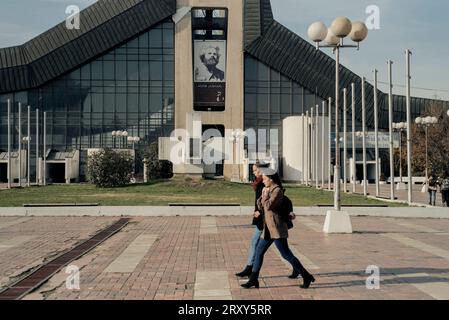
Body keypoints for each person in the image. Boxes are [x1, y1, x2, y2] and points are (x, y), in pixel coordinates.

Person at [241, 169, 315, 290]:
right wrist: (262, 196)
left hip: (277, 229)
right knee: (259, 252)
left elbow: (269, 206)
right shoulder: (268, 189)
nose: (263, 181)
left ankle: (306, 275)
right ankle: (253, 279)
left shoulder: (277, 191)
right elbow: (261, 207)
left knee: (286, 255)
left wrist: (265, 196)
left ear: (271, 179)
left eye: (264, 179)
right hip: (268, 229)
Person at [235, 162, 297, 279]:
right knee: (278, 251)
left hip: (270, 222)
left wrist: (290, 211)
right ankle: (252, 274)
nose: (254, 173)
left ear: (262, 171)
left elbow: (282, 200)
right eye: (253, 171)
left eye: (256, 171)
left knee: (280, 251)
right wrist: (258, 208)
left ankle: (250, 269)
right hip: (264, 220)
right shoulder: (260, 183)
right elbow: (259, 201)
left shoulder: (268, 185)